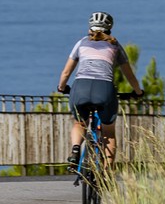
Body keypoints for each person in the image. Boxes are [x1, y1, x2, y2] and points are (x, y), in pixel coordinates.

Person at [57, 11, 143, 170]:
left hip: (80, 87)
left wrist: (61, 88)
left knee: (79, 122)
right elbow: (129, 75)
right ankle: (107, 171)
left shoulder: (81, 43)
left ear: (90, 27)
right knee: (108, 132)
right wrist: (137, 92)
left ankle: (75, 150)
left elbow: (66, 73)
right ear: (110, 27)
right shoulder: (114, 45)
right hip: (104, 89)